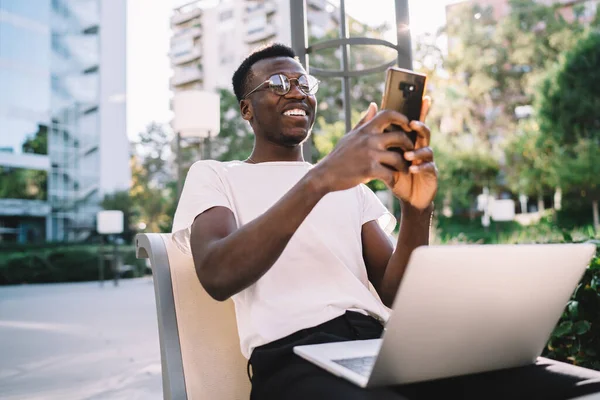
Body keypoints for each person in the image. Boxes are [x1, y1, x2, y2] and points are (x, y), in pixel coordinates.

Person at [172, 43, 600, 399]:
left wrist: (417, 209)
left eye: (305, 83)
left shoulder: (351, 184)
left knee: (571, 386)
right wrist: (320, 178)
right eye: (279, 84)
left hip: (383, 348)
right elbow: (218, 274)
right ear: (247, 109)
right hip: (293, 363)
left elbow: (396, 291)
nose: (297, 92)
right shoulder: (216, 174)